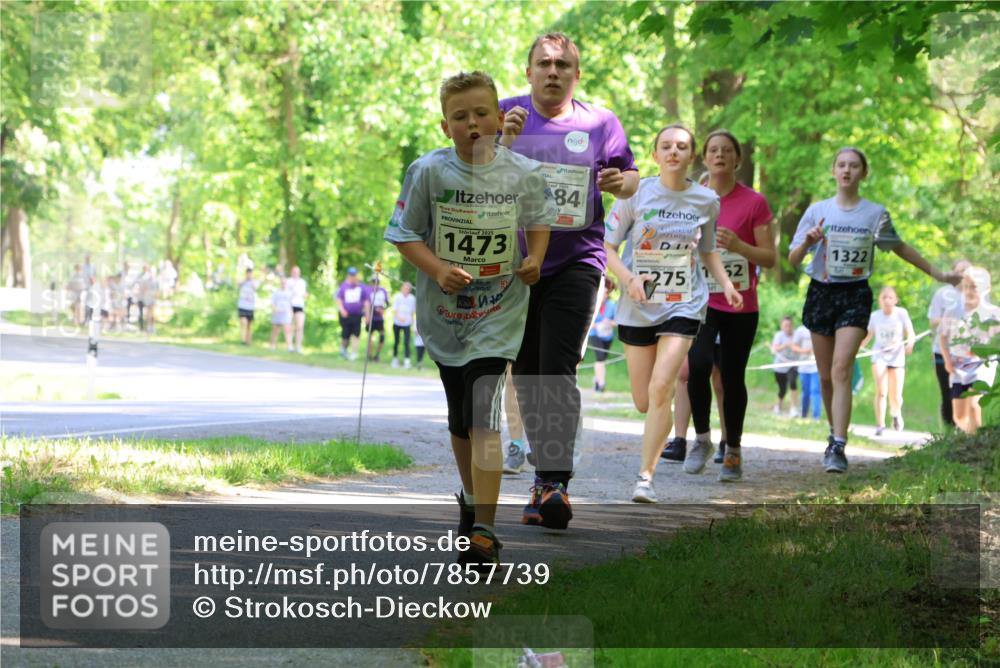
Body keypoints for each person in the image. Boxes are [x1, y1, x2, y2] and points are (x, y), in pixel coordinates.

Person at [384, 70, 554, 567]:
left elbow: (539, 219)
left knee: (485, 409)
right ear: (446, 127)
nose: (473, 123)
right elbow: (404, 233)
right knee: (461, 417)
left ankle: (484, 530)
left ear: (501, 118)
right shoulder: (428, 172)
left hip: (499, 310)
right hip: (445, 313)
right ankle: (470, 498)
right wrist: (437, 269)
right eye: (461, 117)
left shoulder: (522, 172)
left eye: (482, 113)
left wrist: (535, 259)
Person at [500, 32, 639, 528]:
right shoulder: (504, 114)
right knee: (527, 370)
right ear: (529, 71)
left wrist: (619, 183)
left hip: (578, 259)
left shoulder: (600, 122)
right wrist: (501, 144)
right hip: (514, 265)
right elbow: (468, 174)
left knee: (556, 368)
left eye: (562, 64)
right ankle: (544, 477)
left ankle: (554, 482)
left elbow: (630, 178)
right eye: (544, 63)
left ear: (576, 76)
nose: (553, 71)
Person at [789, 146, 959, 472]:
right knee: (825, 376)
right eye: (841, 165)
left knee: (841, 369)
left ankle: (839, 445)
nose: (847, 171)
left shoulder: (874, 214)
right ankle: (832, 432)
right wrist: (809, 242)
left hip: (855, 295)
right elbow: (793, 260)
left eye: (854, 166)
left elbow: (900, 248)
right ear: (833, 171)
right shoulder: (817, 210)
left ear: (863, 173)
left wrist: (938, 273)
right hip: (821, 293)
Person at [605, 123, 742, 503]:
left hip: (684, 301)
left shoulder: (705, 200)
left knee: (662, 386)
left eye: (682, 146)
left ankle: (645, 478)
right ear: (655, 155)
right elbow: (608, 247)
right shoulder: (637, 193)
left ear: (691, 155)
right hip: (638, 303)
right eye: (666, 146)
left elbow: (709, 250)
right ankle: (654, 444)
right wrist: (629, 278)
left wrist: (726, 284)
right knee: (644, 401)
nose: (674, 152)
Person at [685, 130, 776, 482]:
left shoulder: (754, 203)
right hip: (701, 300)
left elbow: (770, 258)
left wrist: (740, 245)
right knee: (698, 364)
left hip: (740, 303)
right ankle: (702, 439)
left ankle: (733, 449)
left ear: (737, 159)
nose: (720, 155)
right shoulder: (693, 199)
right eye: (713, 150)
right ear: (704, 158)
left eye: (727, 151)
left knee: (733, 376)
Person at [940, 266, 1000, 434]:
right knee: (959, 417)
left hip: (982, 365)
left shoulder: (994, 314)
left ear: (986, 289)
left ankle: (978, 443)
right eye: (966, 287)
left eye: (974, 287)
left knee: (974, 403)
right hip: (958, 366)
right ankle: (973, 437)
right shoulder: (952, 311)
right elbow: (943, 338)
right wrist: (947, 360)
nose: (969, 291)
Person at [861, 286, 916, 434]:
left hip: (897, 356)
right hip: (879, 356)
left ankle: (895, 413)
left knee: (896, 395)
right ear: (879, 300)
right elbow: (868, 334)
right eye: (883, 297)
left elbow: (910, 332)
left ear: (895, 300)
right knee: (881, 392)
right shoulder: (875, 316)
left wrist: (910, 342)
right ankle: (880, 425)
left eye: (890, 297)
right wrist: (857, 347)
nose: (886, 300)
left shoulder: (902, 314)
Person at [663, 339, 726, 463]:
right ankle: (679, 442)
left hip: (724, 325)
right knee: (684, 372)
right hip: (697, 324)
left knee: (720, 381)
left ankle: (727, 443)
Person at [928, 259, 970, 428]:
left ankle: (966, 429)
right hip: (942, 349)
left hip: (967, 351)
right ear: (953, 273)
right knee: (948, 392)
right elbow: (933, 321)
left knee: (966, 391)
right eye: (960, 271)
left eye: (967, 270)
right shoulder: (942, 294)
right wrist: (951, 320)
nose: (963, 274)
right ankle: (949, 430)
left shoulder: (978, 294)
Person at [588, 276, 618, 393]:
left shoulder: (612, 305)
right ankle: (601, 384)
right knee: (600, 357)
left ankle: (596, 379)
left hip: (607, 336)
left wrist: (609, 322)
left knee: (601, 360)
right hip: (594, 334)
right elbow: (586, 321)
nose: (604, 295)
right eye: (602, 292)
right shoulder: (592, 303)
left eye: (606, 293)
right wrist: (596, 325)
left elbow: (617, 322)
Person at [335, 267, 366, 361]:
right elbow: (338, 299)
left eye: (354, 275)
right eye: (351, 275)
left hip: (357, 314)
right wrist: (342, 310)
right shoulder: (343, 286)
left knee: (356, 334)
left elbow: (365, 301)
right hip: (346, 314)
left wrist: (366, 313)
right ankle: (343, 350)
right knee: (345, 334)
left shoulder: (360, 286)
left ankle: (354, 353)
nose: (353, 277)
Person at [771, 317, 799, 416]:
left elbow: (800, 347)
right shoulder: (779, 335)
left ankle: (793, 408)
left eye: (789, 325)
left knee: (792, 382)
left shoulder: (796, 335)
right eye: (785, 326)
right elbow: (774, 349)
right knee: (782, 389)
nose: (788, 328)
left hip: (793, 364)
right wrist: (785, 345)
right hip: (780, 365)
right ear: (781, 327)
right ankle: (778, 405)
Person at [793, 321, 822, 420]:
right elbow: (794, 346)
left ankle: (816, 417)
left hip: (817, 366)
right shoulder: (801, 330)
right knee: (805, 392)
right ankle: (804, 415)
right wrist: (804, 351)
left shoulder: (821, 327)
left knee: (815, 390)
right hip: (803, 366)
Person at [391, 281, 417, 368]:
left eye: (408, 288)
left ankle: (407, 361)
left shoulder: (412, 298)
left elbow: (413, 312)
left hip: (407, 323)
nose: (406, 290)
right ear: (402, 288)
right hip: (397, 323)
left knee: (407, 342)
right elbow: (394, 309)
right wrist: (399, 318)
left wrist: (414, 325)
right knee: (396, 341)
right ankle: (394, 359)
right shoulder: (397, 297)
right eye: (405, 288)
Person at [365, 277, 389, 362]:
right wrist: (369, 315)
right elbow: (366, 305)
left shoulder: (383, 292)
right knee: (370, 337)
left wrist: (383, 309)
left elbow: (387, 304)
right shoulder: (369, 292)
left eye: (377, 283)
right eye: (374, 283)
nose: (376, 285)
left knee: (382, 337)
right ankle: (370, 355)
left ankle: (377, 355)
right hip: (371, 317)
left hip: (380, 318)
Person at [270, 275, 294, 351]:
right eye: (282, 282)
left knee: (287, 330)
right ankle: (273, 345)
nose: (283, 283)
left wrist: (291, 313)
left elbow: (291, 304)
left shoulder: (290, 292)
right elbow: (273, 303)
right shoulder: (276, 292)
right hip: (277, 313)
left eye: (284, 282)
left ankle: (290, 347)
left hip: (286, 313)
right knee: (275, 330)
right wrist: (274, 310)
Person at [287, 265, 307, 353]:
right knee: (291, 326)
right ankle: (290, 345)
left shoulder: (302, 282)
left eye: (297, 272)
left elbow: (304, 293)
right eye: (294, 272)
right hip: (290, 305)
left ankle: (298, 346)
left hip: (299, 305)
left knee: (300, 326)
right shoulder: (289, 281)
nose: (296, 274)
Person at [237, 267, 257, 345]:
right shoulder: (243, 281)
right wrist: (245, 280)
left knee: (249, 325)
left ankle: (248, 341)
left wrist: (251, 280)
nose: (249, 275)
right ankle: (243, 340)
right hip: (242, 305)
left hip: (250, 306)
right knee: (243, 322)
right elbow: (238, 285)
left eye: (250, 273)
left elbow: (255, 287)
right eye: (248, 273)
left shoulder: (254, 282)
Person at [139, 265, 159, 334]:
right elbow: (142, 289)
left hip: (153, 299)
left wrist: (154, 294)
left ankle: (153, 327)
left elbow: (158, 291)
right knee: (148, 313)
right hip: (147, 298)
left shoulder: (156, 281)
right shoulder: (146, 280)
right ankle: (148, 327)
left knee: (153, 313)